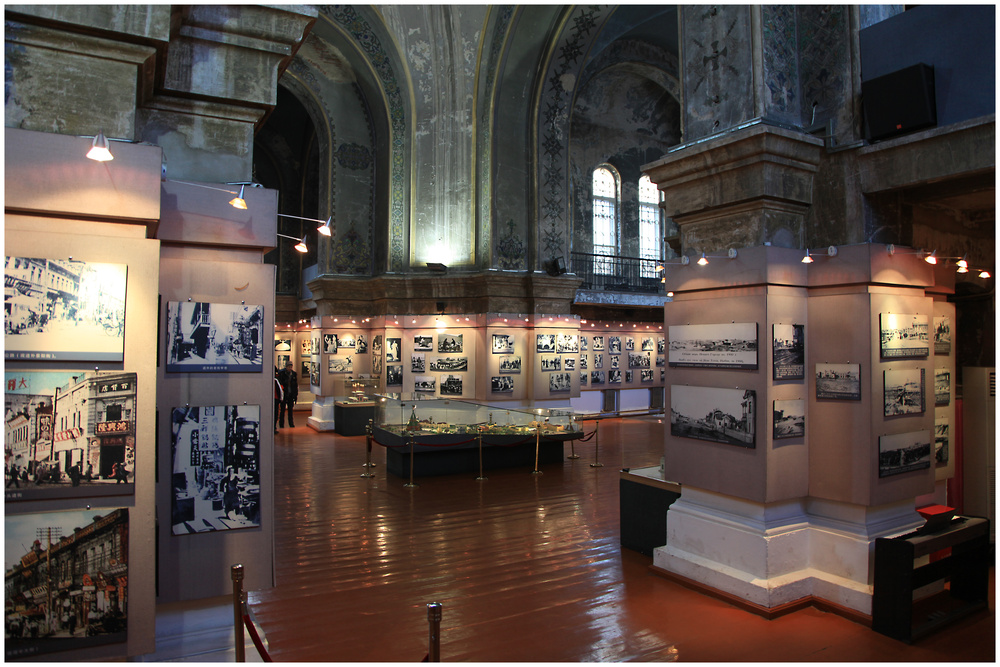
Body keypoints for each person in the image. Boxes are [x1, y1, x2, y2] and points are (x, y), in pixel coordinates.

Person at [277, 362, 298, 428]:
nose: (290, 368)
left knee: (290, 410)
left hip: (291, 394)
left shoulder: (294, 374)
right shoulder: (282, 374)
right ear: (286, 367)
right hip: (284, 394)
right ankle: (281, 424)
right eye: (289, 367)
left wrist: (295, 395)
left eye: (291, 367)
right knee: (282, 410)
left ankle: (291, 423)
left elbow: (295, 385)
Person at [273, 367, 283, 433]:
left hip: (275, 399)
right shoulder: (275, 380)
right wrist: (281, 399)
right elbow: (280, 391)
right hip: (275, 399)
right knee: (275, 414)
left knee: (275, 414)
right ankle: (273, 427)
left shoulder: (275, 380)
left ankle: (273, 427)